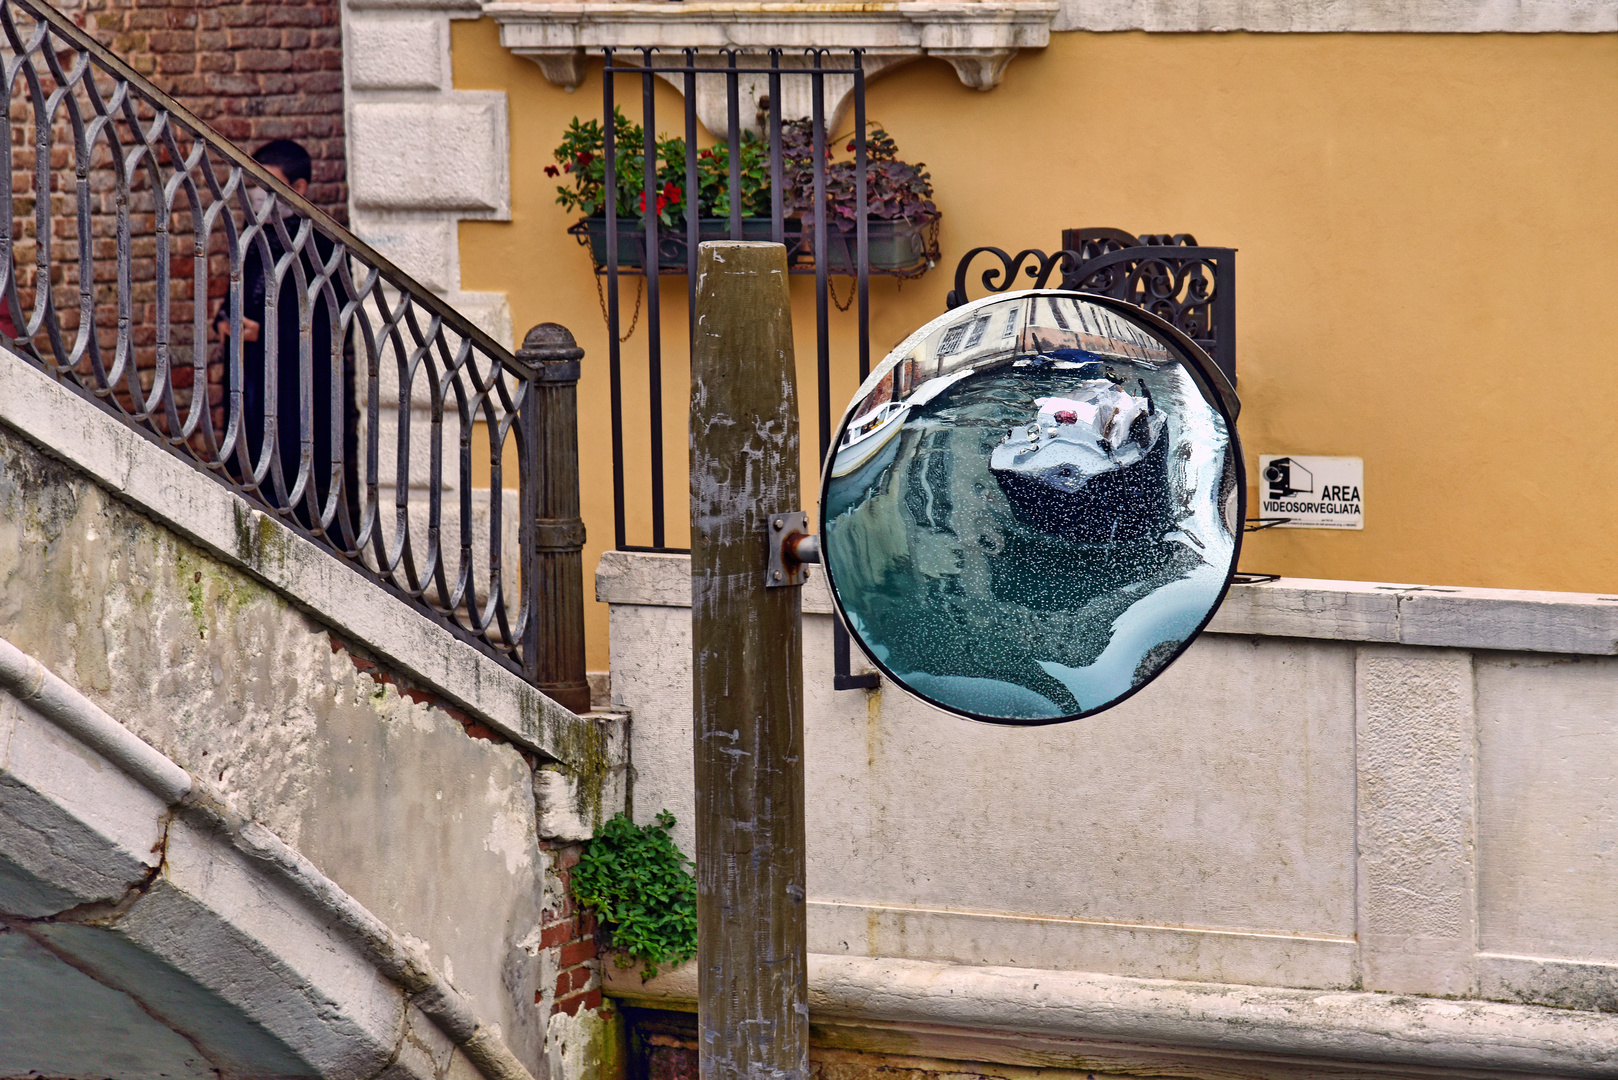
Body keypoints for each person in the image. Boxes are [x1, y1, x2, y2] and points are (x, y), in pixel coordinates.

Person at [216, 139, 354, 533]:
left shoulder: (319, 243)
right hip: (251, 378)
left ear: (299, 187)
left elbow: (328, 318)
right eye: (255, 184)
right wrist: (224, 321)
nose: (259, 194)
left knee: (291, 473)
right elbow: (238, 293)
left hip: (296, 388)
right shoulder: (254, 236)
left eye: (268, 184)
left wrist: (269, 332)